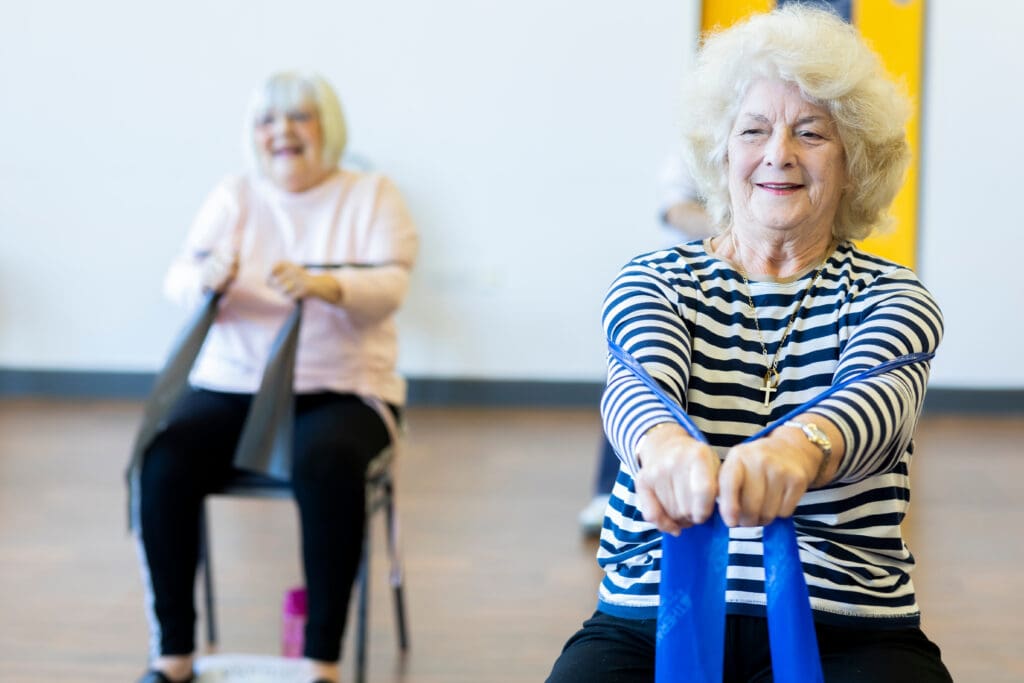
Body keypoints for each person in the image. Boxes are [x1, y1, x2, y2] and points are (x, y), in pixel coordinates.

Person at [548, 6, 951, 682]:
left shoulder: (892, 296)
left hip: (843, 621)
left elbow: (874, 405)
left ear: (853, 163)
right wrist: (664, 447)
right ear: (722, 153)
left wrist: (800, 448)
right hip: (653, 613)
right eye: (754, 130)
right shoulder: (656, 280)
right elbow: (636, 390)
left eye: (810, 132)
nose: (778, 153)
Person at [132, 71, 418, 683]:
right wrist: (205, 277)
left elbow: (391, 286)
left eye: (298, 117)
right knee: (163, 460)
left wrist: (328, 284)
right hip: (232, 386)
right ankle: (172, 658)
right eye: (267, 120)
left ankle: (321, 665)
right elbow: (178, 276)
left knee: (327, 463)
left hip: (344, 389)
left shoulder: (371, 194)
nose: (281, 131)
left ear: (327, 128)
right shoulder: (235, 195)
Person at [577, 155, 715, 536]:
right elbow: (675, 210)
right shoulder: (692, 146)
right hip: (689, 282)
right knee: (639, 373)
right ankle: (607, 491)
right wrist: (740, 229)